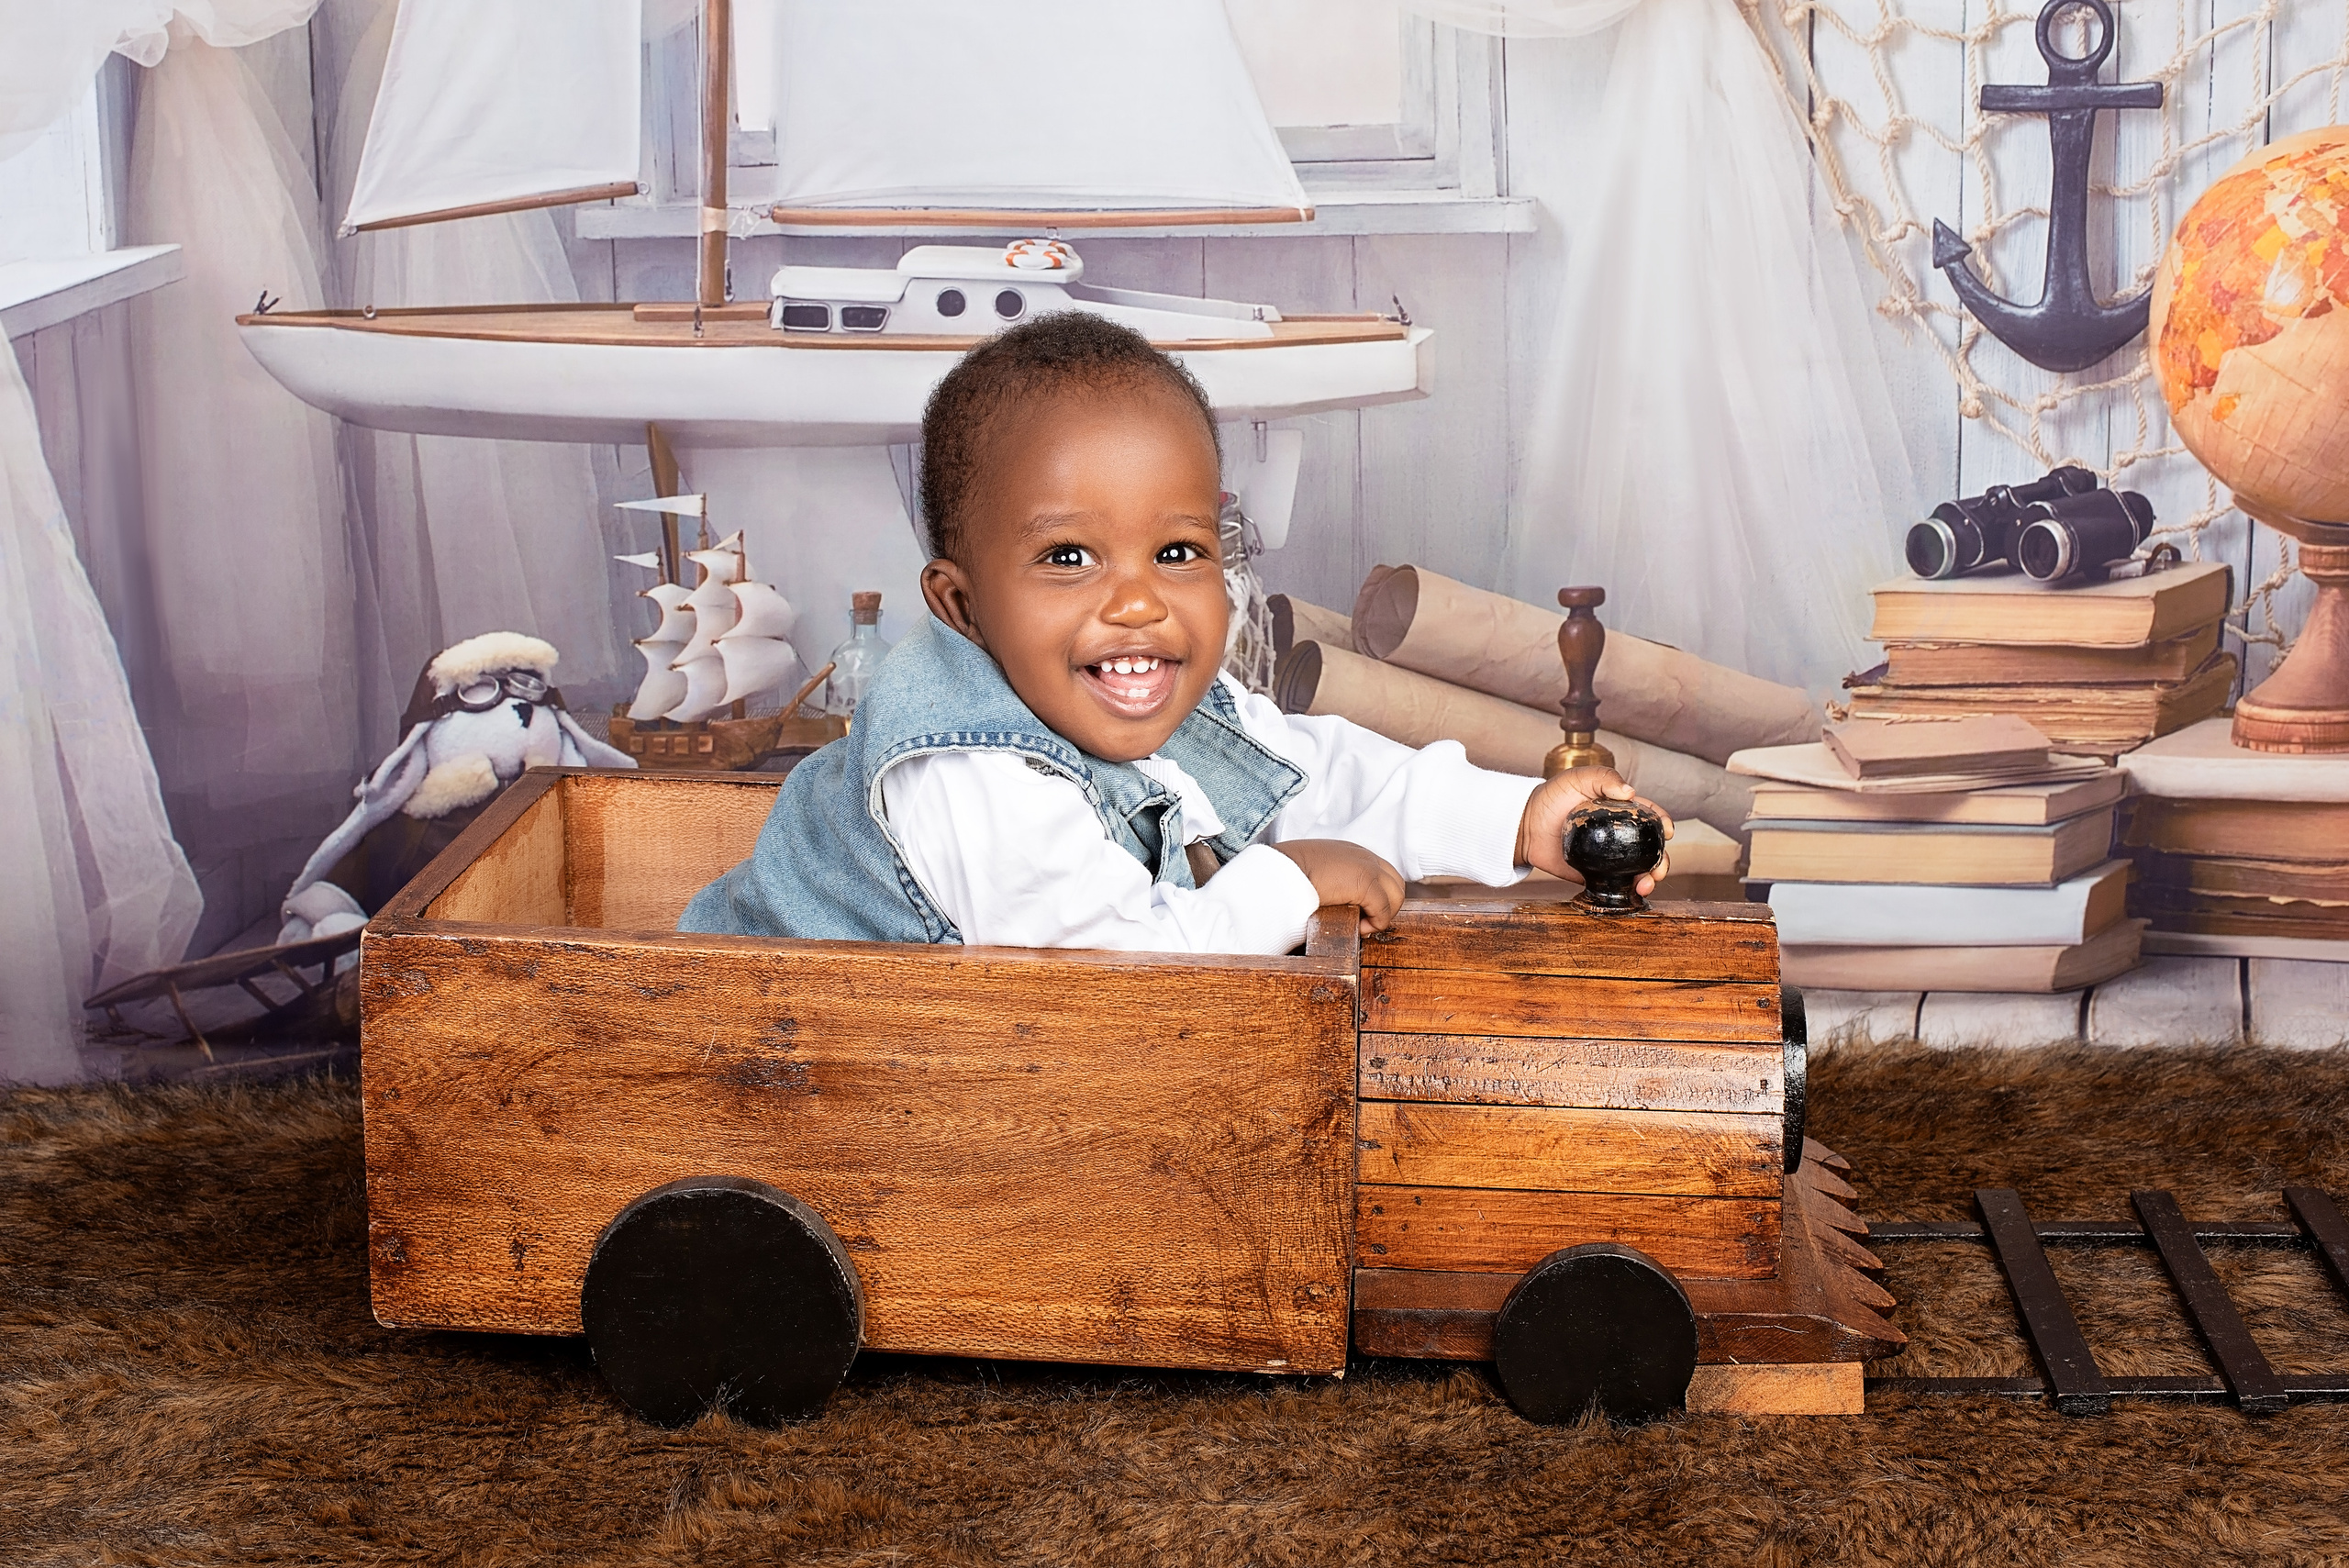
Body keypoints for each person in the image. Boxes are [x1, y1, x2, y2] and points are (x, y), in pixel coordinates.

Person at [679, 314, 1670, 952]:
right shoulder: (966, 768)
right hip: (787, 1059)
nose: (1141, 602)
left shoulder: (1143, 695)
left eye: (1178, 551)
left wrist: (1512, 818)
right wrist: (1285, 879)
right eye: (1068, 558)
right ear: (962, 606)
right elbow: (1113, 975)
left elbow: (1313, 771)